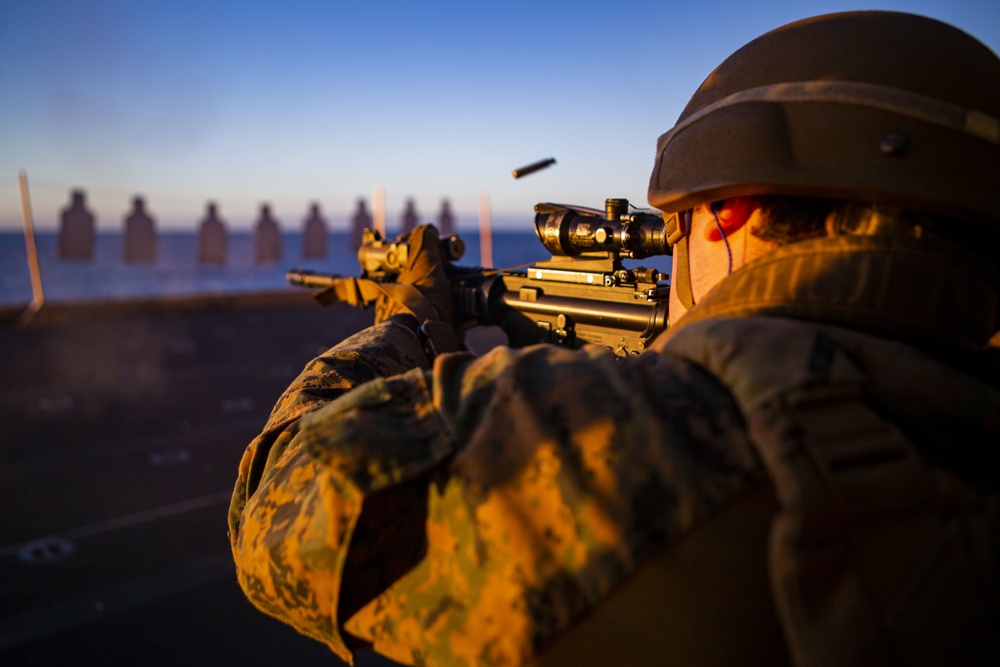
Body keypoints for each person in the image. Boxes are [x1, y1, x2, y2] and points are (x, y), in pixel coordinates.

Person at [229, 11, 999, 667]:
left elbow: (276, 506)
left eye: (680, 223)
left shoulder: (633, 428)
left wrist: (407, 328)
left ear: (732, 207)